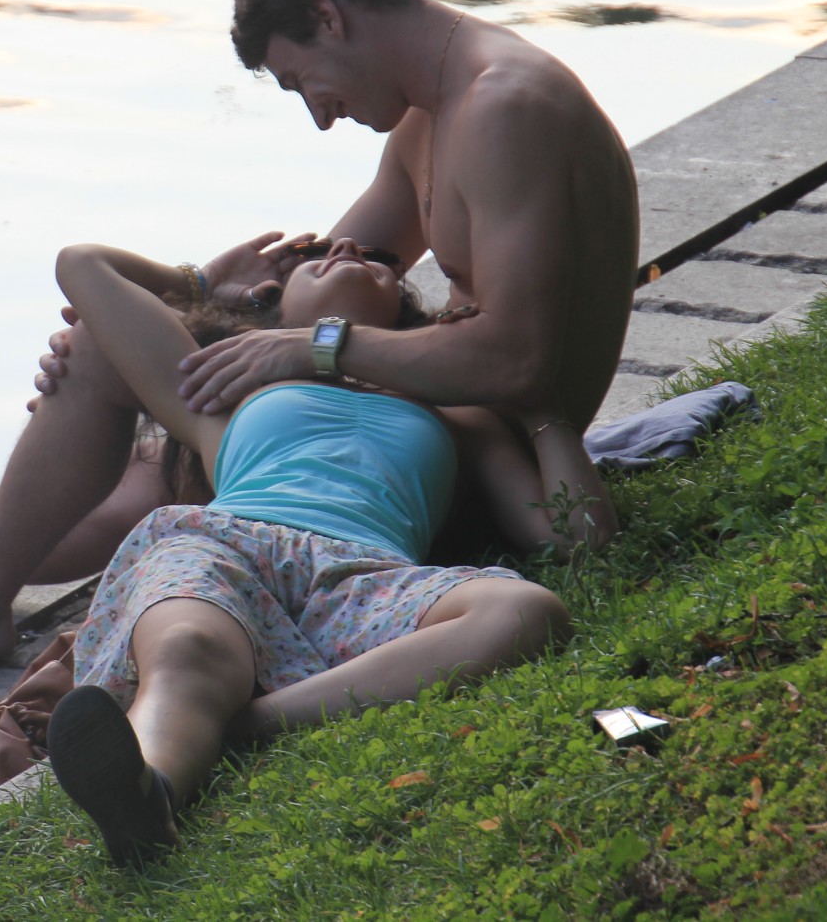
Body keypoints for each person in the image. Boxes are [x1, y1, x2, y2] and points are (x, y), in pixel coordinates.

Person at [0, 0, 638, 658]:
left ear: (329, 16)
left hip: (484, 456)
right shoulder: (429, 119)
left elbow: (518, 359)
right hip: (418, 410)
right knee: (129, 371)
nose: (319, 115)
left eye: (298, 79)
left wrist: (304, 347)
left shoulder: (504, 108)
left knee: (175, 423)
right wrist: (173, 315)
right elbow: (319, 283)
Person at [42, 236, 610, 866]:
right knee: (187, 649)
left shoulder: (455, 406)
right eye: (310, 258)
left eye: (374, 254)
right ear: (273, 314)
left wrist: (541, 407)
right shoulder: (220, 391)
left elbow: (573, 534)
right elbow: (82, 266)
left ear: (403, 304)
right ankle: (150, 791)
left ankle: (245, 722)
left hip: (365, 576)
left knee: (525, 610)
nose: (343, 243)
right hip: (221, 545)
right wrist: (208, 281)